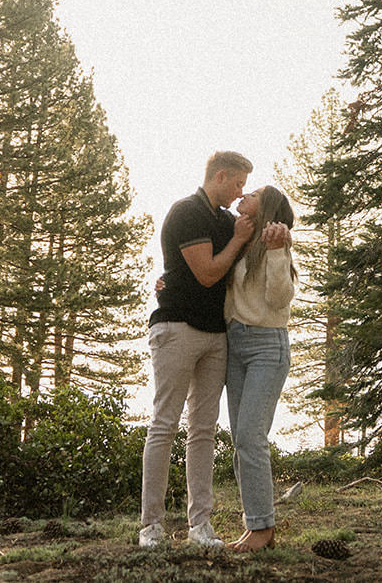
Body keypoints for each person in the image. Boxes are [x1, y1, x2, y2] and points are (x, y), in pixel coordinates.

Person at [138, 151, 255, 549]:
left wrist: (276, 233)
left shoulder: (226, 221)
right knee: (164, 423)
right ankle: (150, 526)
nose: (240, 192)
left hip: (215, 334)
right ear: (220, 176)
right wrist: (238, 239)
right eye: (237, 183)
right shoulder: (186, 212)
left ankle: (200, 525)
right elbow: (207, 273)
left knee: (203, 430)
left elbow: (254, 241)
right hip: (176, 328)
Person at [222, 185, 296, 552]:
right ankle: (255, 524)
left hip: (267, 345)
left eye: (250, 194)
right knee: (241, 440)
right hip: (235, 345)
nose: (242, 197)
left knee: (251, 434)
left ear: (265, 208)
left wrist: (278, 251)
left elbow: (279, 298)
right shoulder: (240, 240)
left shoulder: (276, 242)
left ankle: (263, 528)